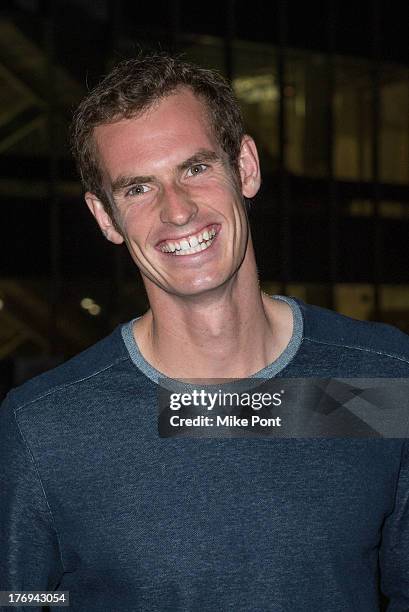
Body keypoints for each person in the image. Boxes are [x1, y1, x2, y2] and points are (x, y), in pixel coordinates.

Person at [1, 53, 409, 612]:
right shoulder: (44, 425)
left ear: (244, 167)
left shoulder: (383, 380)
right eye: (138, 188)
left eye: (195, 168)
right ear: (104, 218)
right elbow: (20, 597)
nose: (177, 210)